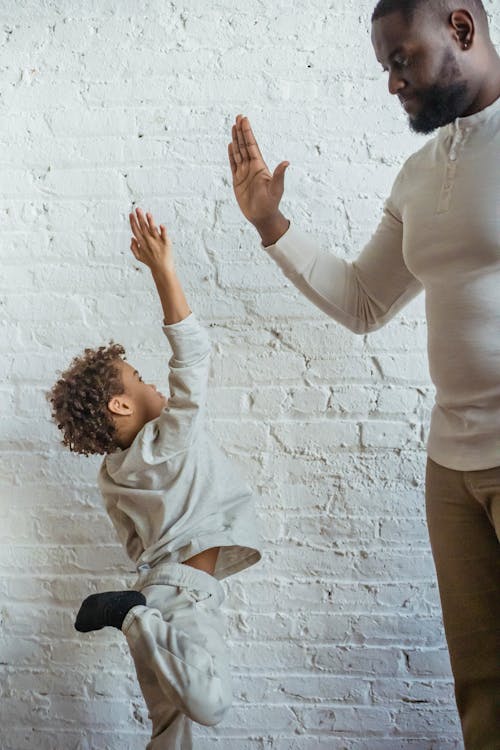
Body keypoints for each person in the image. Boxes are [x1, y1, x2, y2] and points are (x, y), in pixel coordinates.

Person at [228, 0, 500, 748]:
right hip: (453, 466)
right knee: (483, 689)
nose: (392, 83)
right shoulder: (420, 175)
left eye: (401, 59)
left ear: (461, 30)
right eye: (385, 66)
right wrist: (269, 226)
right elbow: (365, 299)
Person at [48, 208, 261, 750]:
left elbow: (134, 542)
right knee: (209, 703)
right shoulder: (172, 436)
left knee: (173, 729)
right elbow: (193, 360)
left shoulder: (112, 474)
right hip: (176, 604)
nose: (150, 381)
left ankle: (135, 615)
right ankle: (130, 618)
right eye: (138, 378)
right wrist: (164, 271)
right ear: (122, 402)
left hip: (155, 588)